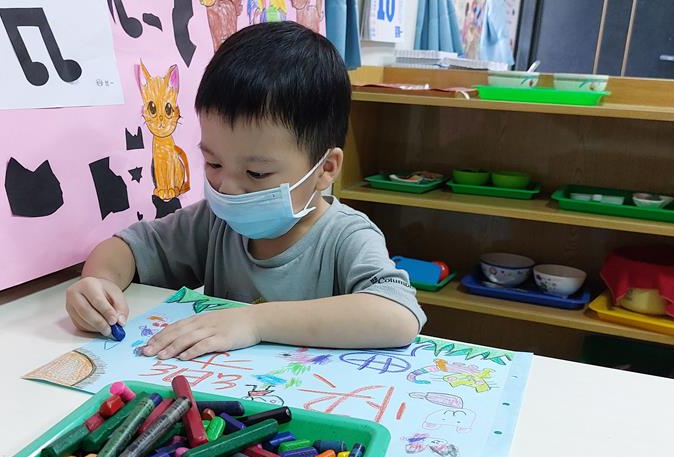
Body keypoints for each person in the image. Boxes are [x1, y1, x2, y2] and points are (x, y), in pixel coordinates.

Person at [66, 21, 425, 361]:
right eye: (214, 163)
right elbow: (127, 248)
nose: (228, 188)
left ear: (325, 169)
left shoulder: (346, 236)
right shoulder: (215, 221)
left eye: (256, 173)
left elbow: (398, 315)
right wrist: (99, 284)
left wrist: (255, 322)